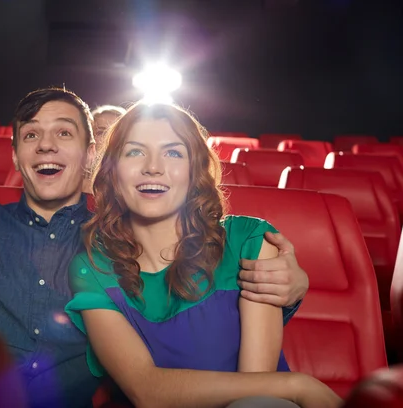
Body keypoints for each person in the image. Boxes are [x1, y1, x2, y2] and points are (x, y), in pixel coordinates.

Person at [0, 11, 310, 408]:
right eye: (30, 135)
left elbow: (197, 289)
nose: (46, 143)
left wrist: (290, 284)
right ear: (14, 155)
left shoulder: (121, 237)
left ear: (92, 154)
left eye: (64, 133)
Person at [65, 102, 342, 408]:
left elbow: (255, 395)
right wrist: (298, 385)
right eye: (135, 151)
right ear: (112, 170)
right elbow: (146, 390)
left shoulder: (248, 241)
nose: (153, 167)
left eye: (173, 152)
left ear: (194, 170)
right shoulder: (91, 266)